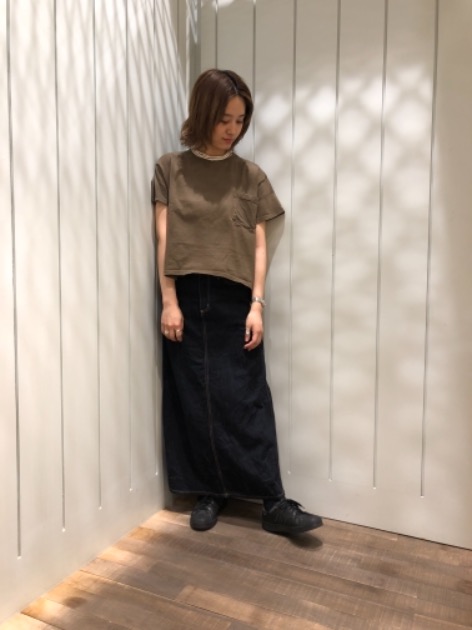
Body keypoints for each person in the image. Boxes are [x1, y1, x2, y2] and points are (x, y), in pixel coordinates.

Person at [152, 68, 322, 535]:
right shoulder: (171, 168)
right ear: (203, 113)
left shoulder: (250, 176)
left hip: (235, 296)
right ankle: (209, 492)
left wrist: (257, 304)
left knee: (247, 398)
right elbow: (164, 237)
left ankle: (273, 502)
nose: (232, 129)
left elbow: (260, 244)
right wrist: (169, 300)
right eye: (224, 119)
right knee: (195, 396)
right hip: (187, 294)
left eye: (240, 120)